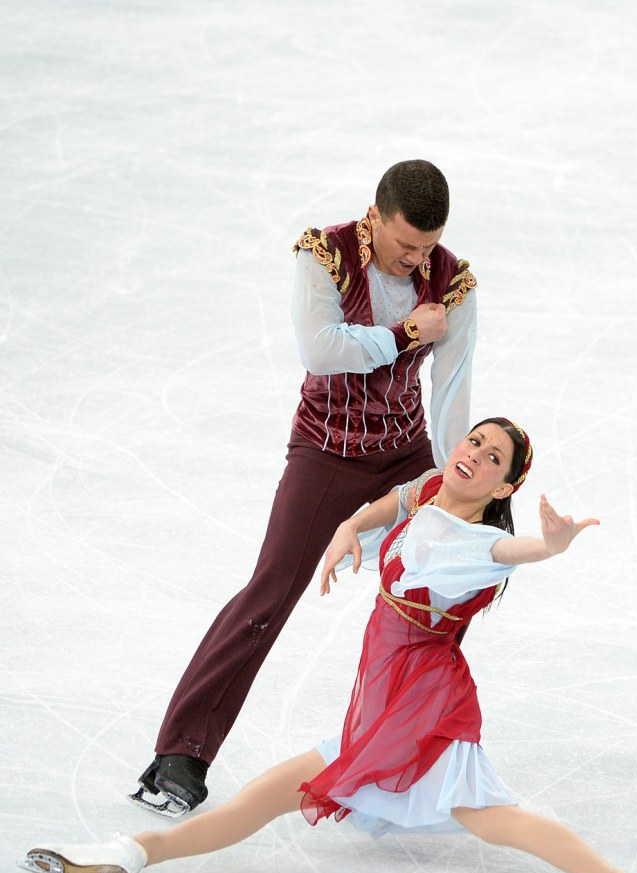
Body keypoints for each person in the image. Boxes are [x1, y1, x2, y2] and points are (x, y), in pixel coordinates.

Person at [21, 419, 637, 873]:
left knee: (496, 819)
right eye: (474, 440)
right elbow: (392, 502)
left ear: (504, 487)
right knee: (266, 797)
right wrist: (349, 526)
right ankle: (127, 856)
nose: (472, 453)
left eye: (493, 458)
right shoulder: (434, 490)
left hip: (422, 700)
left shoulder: (481, 548)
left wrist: (553, 545)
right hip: (378, 704)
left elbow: (517, 549)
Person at [131, 159, 479, 817]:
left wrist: (447, 482)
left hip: (405, 453)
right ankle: (182, 752)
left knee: (438, 591)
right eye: (406, 244)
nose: (416, 258)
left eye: (428, 247)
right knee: (271, 589)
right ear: (374, 218)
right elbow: (320, 349)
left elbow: (453, 386)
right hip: (326, 450)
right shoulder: (325, 255)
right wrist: (404, 333)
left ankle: (411, 752)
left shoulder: (451, 281)